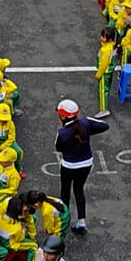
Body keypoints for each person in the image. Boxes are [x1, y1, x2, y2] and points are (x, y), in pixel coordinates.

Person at [54, 99, 108, 237]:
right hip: (86, 164)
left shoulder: (62, 133)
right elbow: (104, 126)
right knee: (79, 189)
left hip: (69, 165)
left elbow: (58, 148)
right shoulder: (86, 123)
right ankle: (81, 220)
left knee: (65, 190)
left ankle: (64, 218)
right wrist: (88, 131)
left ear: (62, 116)